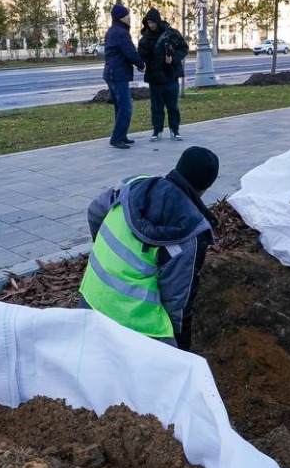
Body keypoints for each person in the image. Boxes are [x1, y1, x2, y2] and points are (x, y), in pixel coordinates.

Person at [78, 146, 220, 351]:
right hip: (137, 329)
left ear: (178, 167)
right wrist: (181, 352)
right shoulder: (190, 233)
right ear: (205, 189)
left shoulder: (133, 185)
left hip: (90, 299)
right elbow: (177, 303)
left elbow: (95, 211)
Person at [137, 8, 189, 142]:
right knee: (156, 107)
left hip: (170, 76)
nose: (151, 25)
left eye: (153, 22)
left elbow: (184, 48)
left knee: (173, 107)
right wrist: (142, 65)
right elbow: (142, 56)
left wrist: (174, 58)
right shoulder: (145, 39)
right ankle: (157, 131)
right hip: (155, 79)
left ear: (158, 21)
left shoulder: (171, 34)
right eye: (148, 22)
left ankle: (175, 130)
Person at [103, 4, 146, 149]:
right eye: (127, 16)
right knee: (126, 108)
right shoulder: (120, 33)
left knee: (119, 107)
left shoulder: (112, 31)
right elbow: (130, 52)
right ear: (121, 17)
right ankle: (116, 138)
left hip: (112, 74)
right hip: (118, 74)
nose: (130, 18)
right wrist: (141, 64)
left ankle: (121, 135)